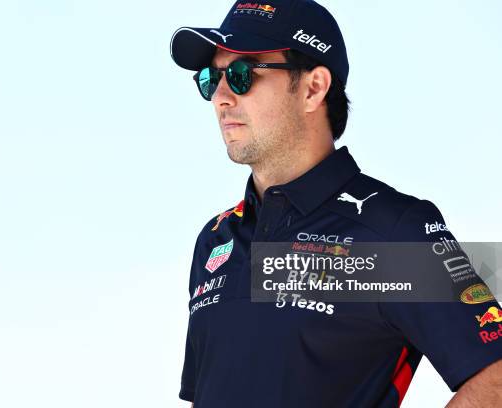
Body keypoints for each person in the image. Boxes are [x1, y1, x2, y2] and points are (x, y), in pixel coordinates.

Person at [169, 1, 502, 407]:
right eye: (210, 78)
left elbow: (495, 374)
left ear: (313, 88)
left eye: (241, 76)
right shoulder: (215, 239)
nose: (219, 97)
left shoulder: (394, 230)